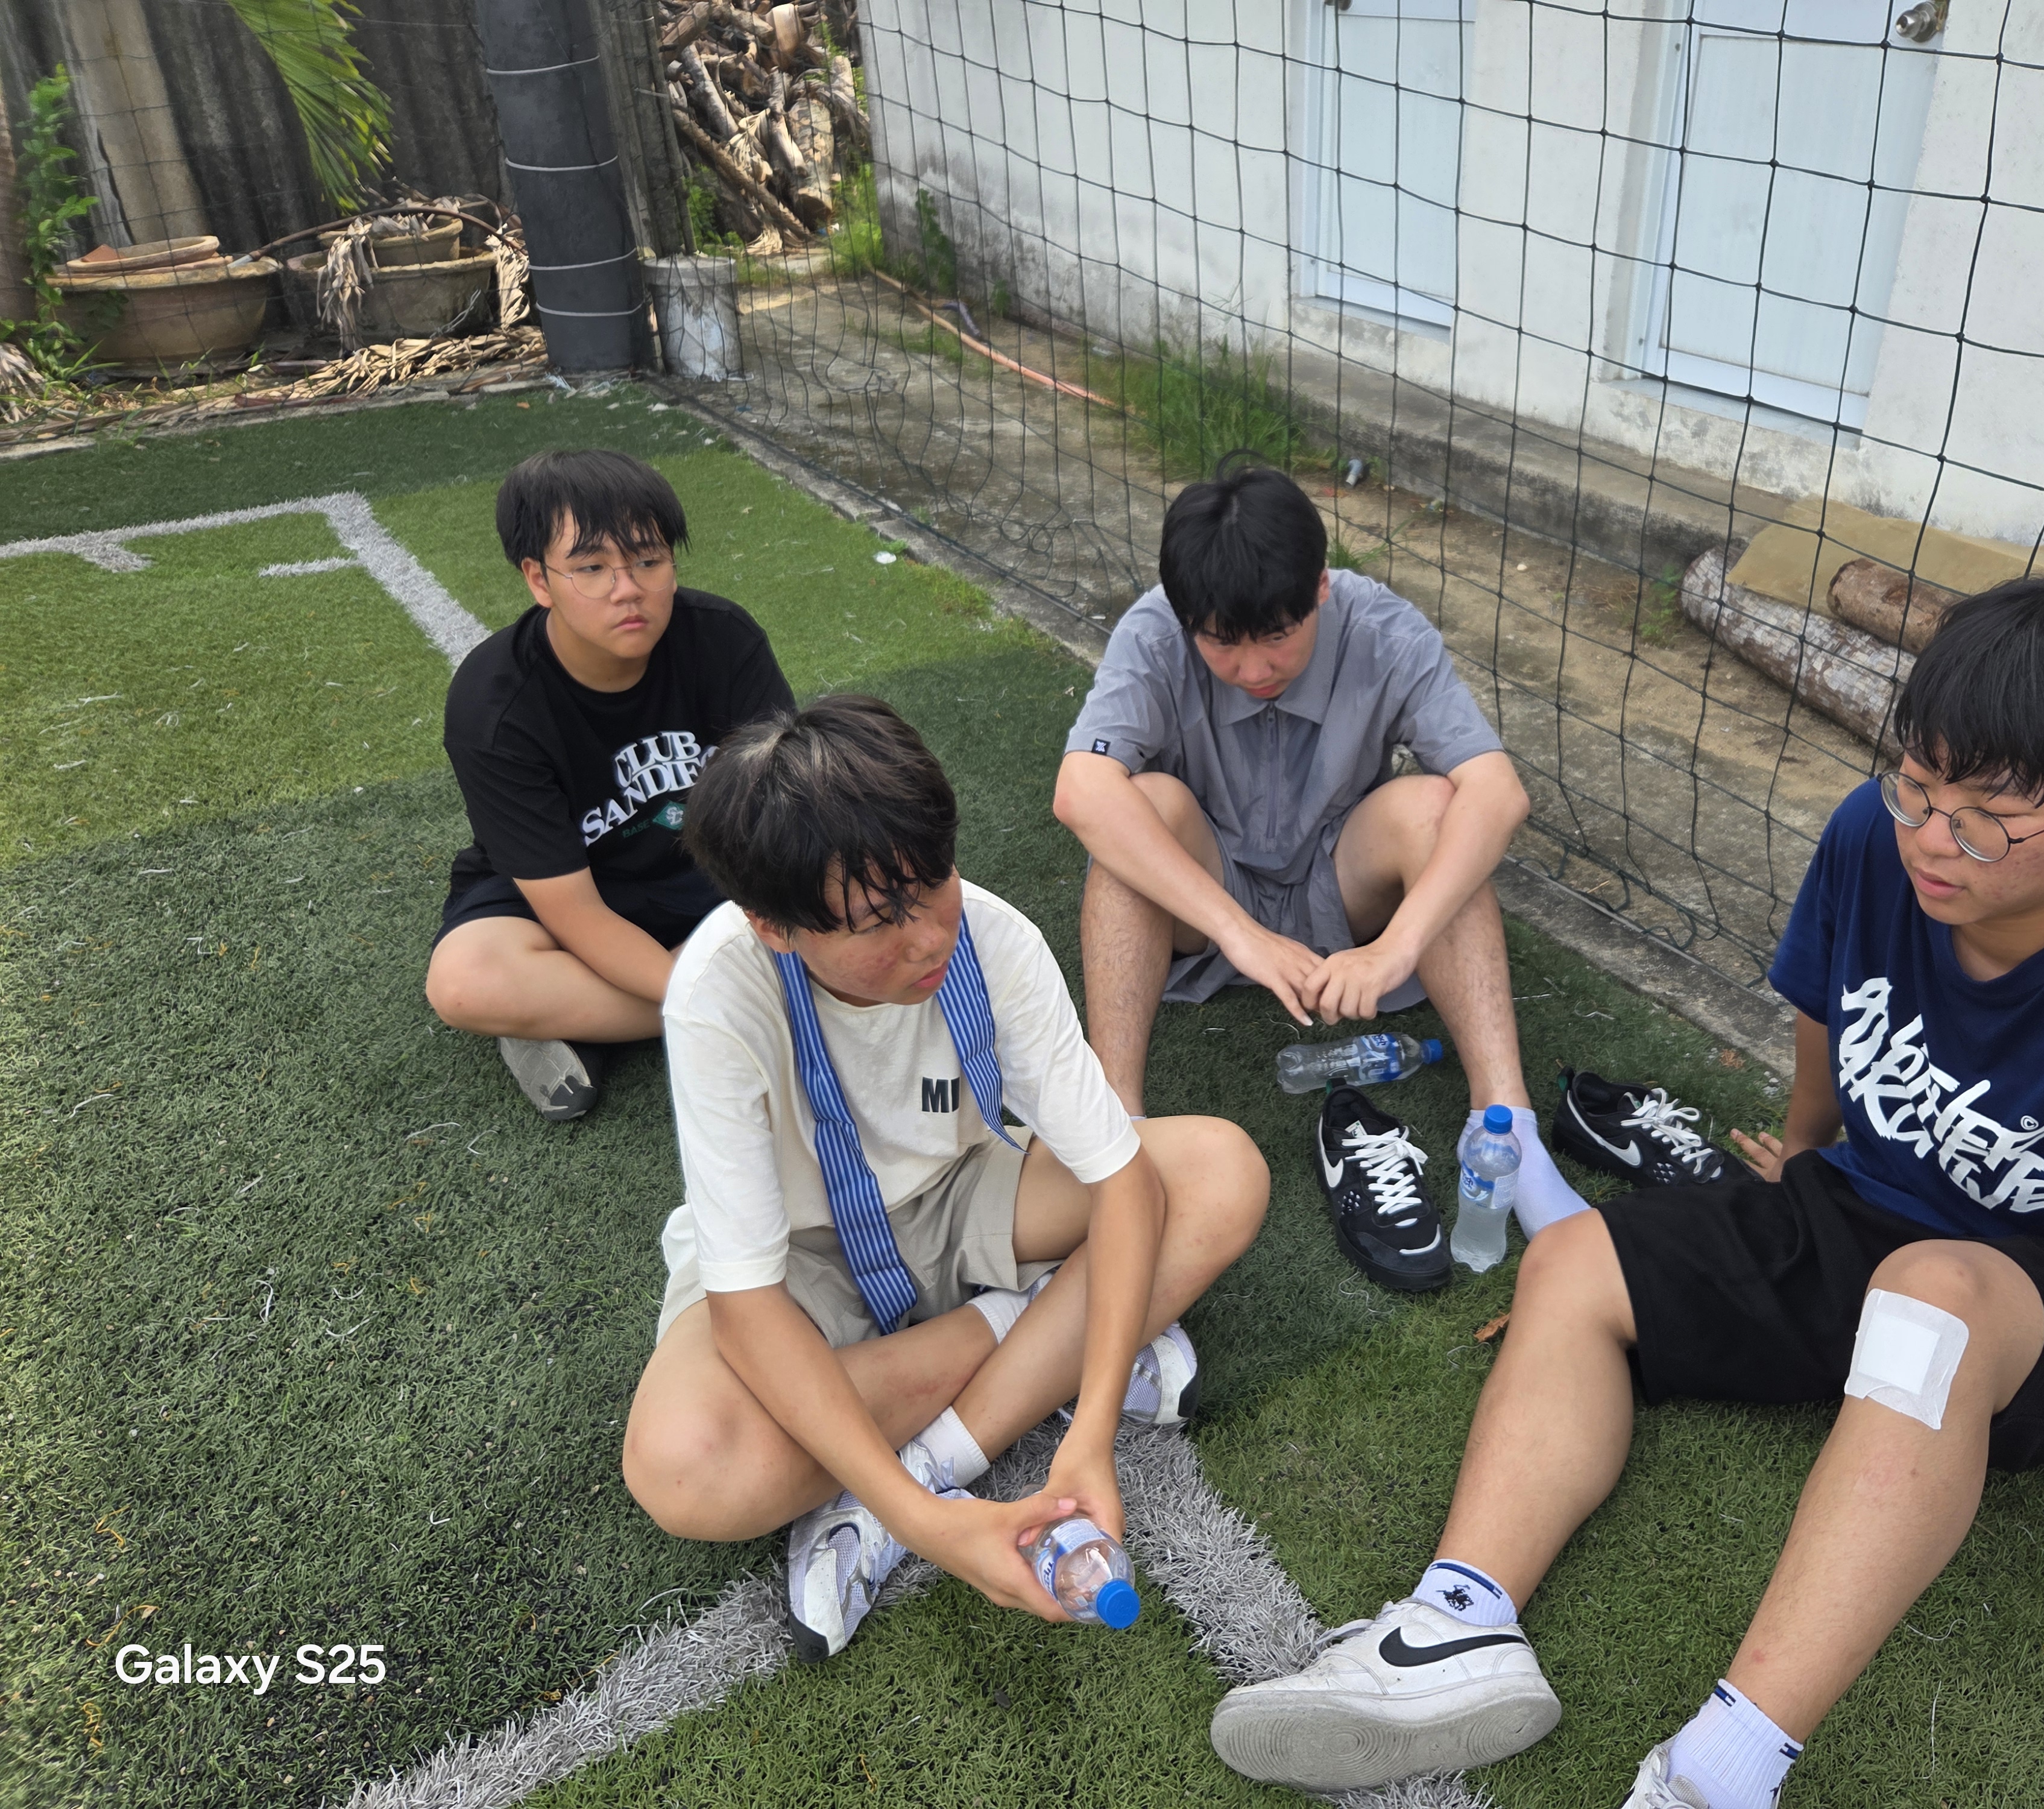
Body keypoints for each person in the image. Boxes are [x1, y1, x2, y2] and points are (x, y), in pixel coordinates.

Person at [1205, 572, 2044, 1801]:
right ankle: (1455, 1629)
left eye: (1986, 818)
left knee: (1931, 1299)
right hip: (1882, 1219)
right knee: (1575, 1258)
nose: (1930, 838)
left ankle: (1718, 1774)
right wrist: (1804, 1153)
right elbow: (1832, 1013)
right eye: (1919, 786)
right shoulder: (1871, 842)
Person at [619, 695, 1268, 1661]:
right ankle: (1033, 1324)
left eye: (934, 883)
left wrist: (1089, 1434)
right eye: (879, 920)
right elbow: (750, 1309)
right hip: (805, 1257)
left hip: (964, 1195)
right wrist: (931, 1529)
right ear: (775, 928)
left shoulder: (992, 938)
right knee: (684, 1468)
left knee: (1221, 1171)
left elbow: (1123, 1180)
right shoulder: (718, 992)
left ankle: (942, 1451)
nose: (927, 937)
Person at [1053, 463, 1597, 1293]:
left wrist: (1396, 948)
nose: (1252, 667)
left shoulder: (1384, 626)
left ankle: (1506, 1127)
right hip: (1208, 894)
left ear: (1320, 588)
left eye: (1277, 634)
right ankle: (1115, 1126)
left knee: (1437, 807)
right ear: (1185, 617)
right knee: (1139, 805)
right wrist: (1240, 933)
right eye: (1221, 641)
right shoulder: (1154, 631)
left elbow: (1499, 793)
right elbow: (1079, 792)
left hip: (1342, 887)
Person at [424, 449, 794, 1122]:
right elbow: (574, 912)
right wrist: (704, 994)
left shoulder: (723, 640)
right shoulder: (493, 703)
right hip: (571, 891)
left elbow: (784, 814)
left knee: (851, 889)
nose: (629, 590)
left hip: (713, 876)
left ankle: (582, 1020)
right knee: (464, 982)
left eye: (648, 560)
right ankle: (734, 1001)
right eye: (592, 568)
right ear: (538, 579)